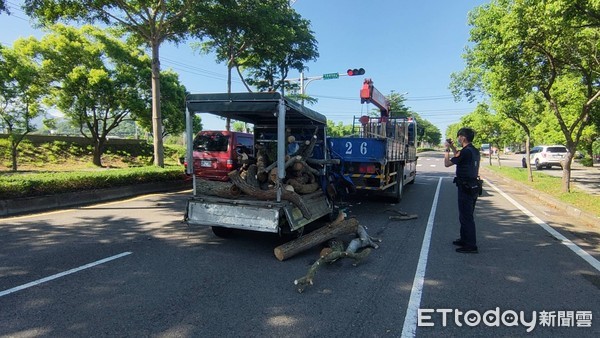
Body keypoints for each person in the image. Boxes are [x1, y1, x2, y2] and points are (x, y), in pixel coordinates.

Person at [444, 128, 481, 254]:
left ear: (463, 137)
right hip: (473, 186)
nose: (458, 139)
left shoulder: (466, 152)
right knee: (465, 215)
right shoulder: (473, 150)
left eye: (459, 137)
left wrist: (447, 149)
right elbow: (459, 155)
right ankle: (464, 239)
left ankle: (471, 245)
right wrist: (453, 147)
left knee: (466, 216)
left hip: (465, 186)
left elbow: (447, 163)